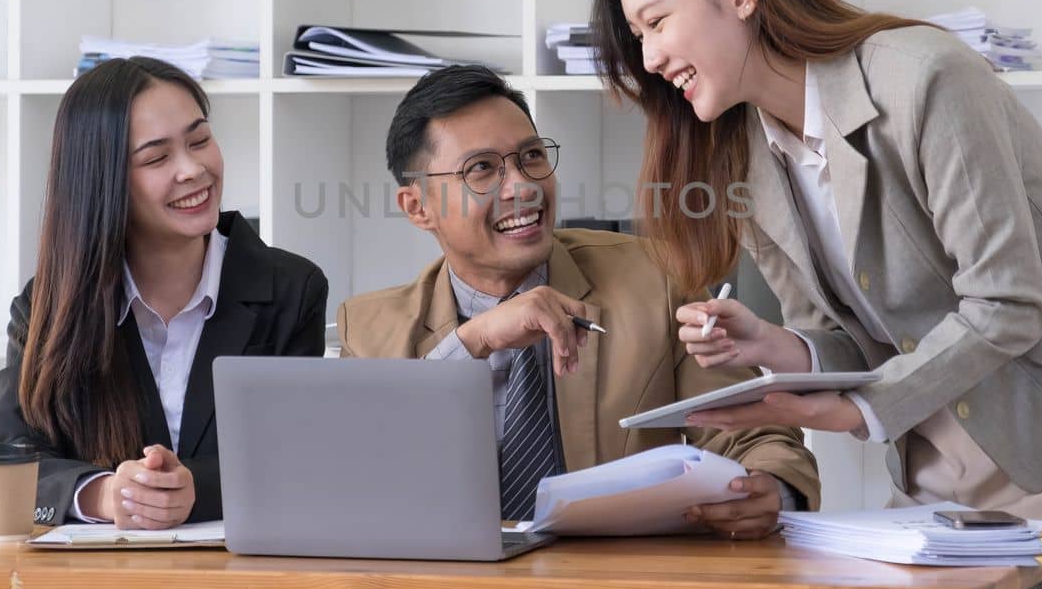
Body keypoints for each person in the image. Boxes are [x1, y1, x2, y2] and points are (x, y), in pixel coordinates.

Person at [590, 0, 1042, 589]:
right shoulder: (741, 153)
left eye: (656, 22)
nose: (648, 58)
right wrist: (780, 347)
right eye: (637, 37)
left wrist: (858, 408)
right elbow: (849, 338)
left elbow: (1009, 302)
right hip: (936, 433)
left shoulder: (924, 77)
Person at [339, 64, 819, 541]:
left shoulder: (655, 280)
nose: (522, 187)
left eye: (530, 157)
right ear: (418, 208)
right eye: (482, 168)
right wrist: (475, 340)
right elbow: (352, 481)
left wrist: (773, 490)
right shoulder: (368, 328)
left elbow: (759, 435)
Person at [0, 57, 328, 528]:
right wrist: (102, 494)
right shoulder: (49, 304)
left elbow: (301, 457)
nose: (193, 170)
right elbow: (8, 460)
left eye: (200, 140)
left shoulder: (291, 289)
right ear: (103, 182)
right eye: (157, 157)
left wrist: (193, 491)